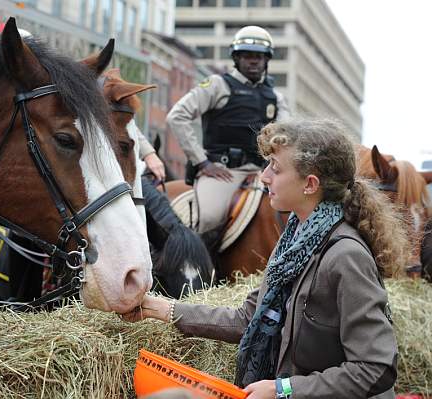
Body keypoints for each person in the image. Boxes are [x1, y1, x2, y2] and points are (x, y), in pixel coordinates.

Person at [124, 118, 407, 399]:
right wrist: (162, 309)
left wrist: (283, 390)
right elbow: (248, 318)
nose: (264, 176)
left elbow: (376, 368)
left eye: (276, 168)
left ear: (310, 184)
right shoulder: (294, 242)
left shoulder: (346, 257)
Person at [166, 25, 289, 234]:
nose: (253, 60)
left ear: (266, 60)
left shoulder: (276, 97)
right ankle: (195, 266)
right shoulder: (217, 85)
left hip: (262, 172)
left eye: (259, 57)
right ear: (236, 58)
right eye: (247, 55)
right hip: (222, 172)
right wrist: (201, 162)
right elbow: (176, 116)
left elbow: (287, 136)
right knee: (209, 218)